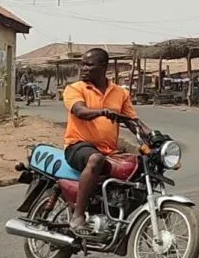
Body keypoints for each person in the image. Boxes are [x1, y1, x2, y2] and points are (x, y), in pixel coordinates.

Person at [62, 47, 151, 235]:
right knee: (95, 159)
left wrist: (151, 134)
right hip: (78, 146)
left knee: (141, 166)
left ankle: (117, 220)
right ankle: (78, 214)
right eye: (83, 64)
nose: (84, 68)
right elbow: (80, 111)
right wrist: (102, 111)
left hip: (110, 151)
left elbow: (131, 121)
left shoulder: (120, 93)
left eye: (89, 64)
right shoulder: (75, 88)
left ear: (103, 66)